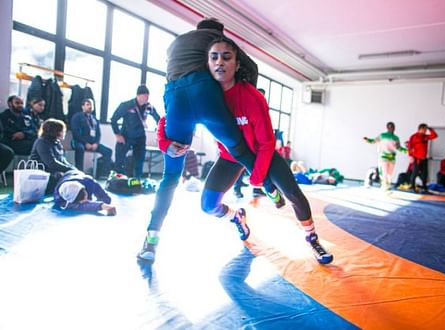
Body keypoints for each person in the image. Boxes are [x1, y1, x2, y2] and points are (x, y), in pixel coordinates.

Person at [140, 37, 333, 265]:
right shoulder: (206, 94)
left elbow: (267, 143)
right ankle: (237, 217)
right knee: (208, 206)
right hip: (230, 158)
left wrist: (259, 177)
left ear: (237, 64)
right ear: (207, 64)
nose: (220, 62)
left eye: (226, 57)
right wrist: (164, 144)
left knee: (293, 194)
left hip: (261, 154)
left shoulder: (252, 97)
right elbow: (171, 118)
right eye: (214, 58)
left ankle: (312, 238)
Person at [137, 18, 264, 262]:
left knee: (171, 177)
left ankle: (151, 238)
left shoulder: (176, 46)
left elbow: (168, 110)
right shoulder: (218, 46)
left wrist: (164, 144)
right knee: (241, 152)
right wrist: (247, 96)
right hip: (205, 98)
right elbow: (252, 67)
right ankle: (269, 192)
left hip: (176, 102)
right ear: (219, 36)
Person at [110, 85, 160, 178]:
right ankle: (118, 181)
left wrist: (161, 130)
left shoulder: (149, 107)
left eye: (148, 97)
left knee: (139, 161)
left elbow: (158, 119)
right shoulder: (126, 105)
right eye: (145, 96)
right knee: (119, 160)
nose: (147, 99)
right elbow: (113, 120)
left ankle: (137, 181)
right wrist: (117, 134)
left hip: (140, 137)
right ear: (139, 95)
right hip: (125, 135)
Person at [30, 118, 76, 194]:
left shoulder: (57, 142)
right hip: (40, 174)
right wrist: (69, 170)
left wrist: (73, 169)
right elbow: (51, 163)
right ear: (54, 131)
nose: (64, 132)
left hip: (52, 172)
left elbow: (62, 160)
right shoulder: (42, 142)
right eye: (62, 130)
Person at [71, 98, 112, 176]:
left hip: (93, 143)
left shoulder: (94, 118)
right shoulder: (77, 117)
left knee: (108, 151)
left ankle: (103, 173)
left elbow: (98, 134)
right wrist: (85, 143)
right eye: (87, 104)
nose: (90, 106)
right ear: (82, 106)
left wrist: (96, 143)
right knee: (80, 148)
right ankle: (79, 173)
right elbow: (75, 132)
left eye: (91, 105)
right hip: (79, 142)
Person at [364, 122, 406, 190]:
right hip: (383, 157)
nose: (391, 128)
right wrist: (367, 140)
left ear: (394, 128)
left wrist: (407, 151)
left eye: (392, 127)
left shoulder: (396, 138)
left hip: (392, 158)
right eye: (390, 127)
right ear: (387, 128)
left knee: (389, 174)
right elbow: (374, 141)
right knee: (384, 173)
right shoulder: (382, 135)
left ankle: (387, 186)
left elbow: (398, 147)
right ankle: (384, 187)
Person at [407, 123, 438, 192]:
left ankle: (424, 187)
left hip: (424, 158)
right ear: (420, 129)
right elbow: (409, 147)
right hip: (417, 158)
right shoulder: (414, 136)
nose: (425, 131)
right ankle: (412, 186)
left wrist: (430, 129)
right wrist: (410, 156)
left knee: (425, 174)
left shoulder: (425, 136)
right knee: (415, 173)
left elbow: (435, 136)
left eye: (426, 129)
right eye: (424, 129)